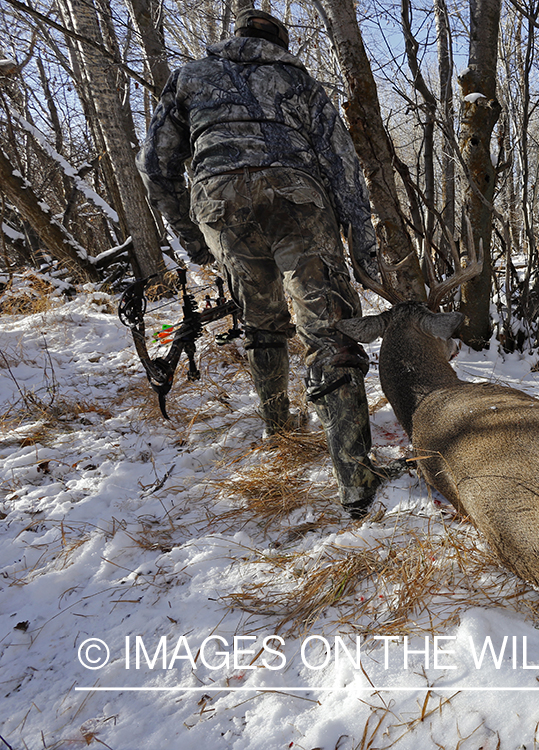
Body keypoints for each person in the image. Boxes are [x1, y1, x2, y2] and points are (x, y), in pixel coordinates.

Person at [137, 9, 390, 520]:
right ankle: (357, 481)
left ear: (236, 37)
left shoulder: (189, 77)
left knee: (261, 323)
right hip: (298, 200)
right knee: (330, 334)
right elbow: (342, 167)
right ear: (281, 41)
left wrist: (194, 242)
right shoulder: (302, 83)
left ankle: (278, 434)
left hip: (221, 203)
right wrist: (362, 243)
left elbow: (155, 167)